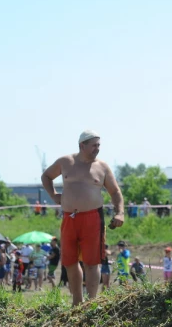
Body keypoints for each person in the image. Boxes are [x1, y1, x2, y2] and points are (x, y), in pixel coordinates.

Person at [41, 130, 125, 305]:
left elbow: (115, 192)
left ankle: (91, 301)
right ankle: (77, 301)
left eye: (99, 145)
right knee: (70, 261)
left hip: (93, 218)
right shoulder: (66, 162)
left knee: (91, 262)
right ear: (82, 145)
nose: (97, 149)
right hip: (69, 217)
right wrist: (54, 195)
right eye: (94, 145)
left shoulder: (102, 167)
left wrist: (120, 212)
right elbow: (46, 176)